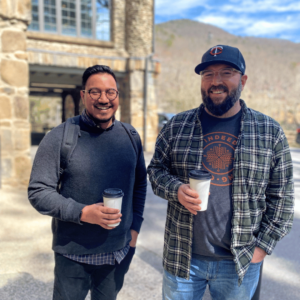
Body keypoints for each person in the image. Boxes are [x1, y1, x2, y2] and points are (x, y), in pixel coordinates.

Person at [147, 45, 294, 300]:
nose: (216, 81)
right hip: (183, 257)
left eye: (226, 72)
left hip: (239, 261)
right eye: (208, 75)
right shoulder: (177, 126)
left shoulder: (269, 131)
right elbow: (156, 171)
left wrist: (262, 247)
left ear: (243, 80)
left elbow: (282, 198)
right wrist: (176, 189)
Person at [28, 65, 147, 300]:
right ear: (83, 96)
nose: (104, 99)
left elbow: (140, 185)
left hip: (118, 254)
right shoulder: (60, 137)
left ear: (117, 96)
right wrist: (82, 212)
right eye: (95, 92)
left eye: (110, 92)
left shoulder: (130, 136)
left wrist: (134, 231)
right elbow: (38, 191)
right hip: (73, 256)